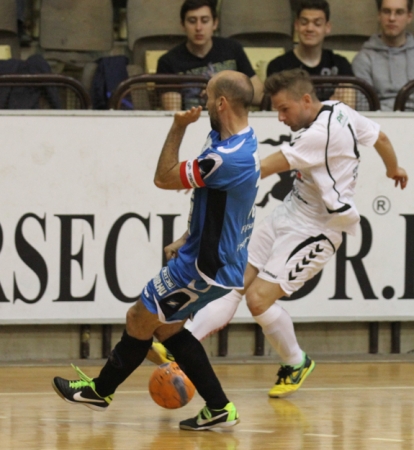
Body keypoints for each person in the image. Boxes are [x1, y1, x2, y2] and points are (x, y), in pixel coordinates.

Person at [162, 68, 408, 398]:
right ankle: (182, 342)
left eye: (283, 110)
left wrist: (208, 178)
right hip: (290, 212)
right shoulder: (340, 109)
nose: (280, 118)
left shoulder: (317, 135)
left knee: (258, 299)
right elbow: (381, 138)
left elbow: (258, 169)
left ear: (306, 100)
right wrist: (394, 167)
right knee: (233, 281)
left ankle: (296, 361)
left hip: (319, 229)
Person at [52, 70, 260, 431]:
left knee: (139, 319)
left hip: (204, 266)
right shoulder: (233, 139)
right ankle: (219, 407)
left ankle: (100, 391)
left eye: (208, 96)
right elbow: (218, 203)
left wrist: (178, 126)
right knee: (167, 329)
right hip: (209, 256)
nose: (204, 101)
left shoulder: (229, 157)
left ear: (222, 103)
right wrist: (186, 235)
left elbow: (163, 177)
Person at [156, 0, 264, 109]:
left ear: (215, 23)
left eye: (205, 21)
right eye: (192, 21)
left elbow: (259, 95)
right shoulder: (168, 62)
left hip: (232, 121)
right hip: (192, 122)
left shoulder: (232, 49)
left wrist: (226, 91)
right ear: (183, 25)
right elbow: (173, 112)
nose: (198, 28)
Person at [352, 0, 414, 112]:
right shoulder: (363, 59)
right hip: (381, 126)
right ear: (379, 15)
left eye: (399, 12)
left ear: (409, 17)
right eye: (387, 11)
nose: (392, 18)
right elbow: (363, 106)